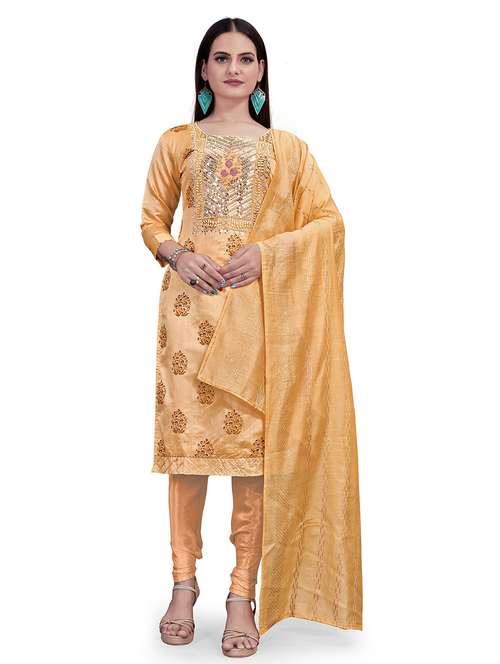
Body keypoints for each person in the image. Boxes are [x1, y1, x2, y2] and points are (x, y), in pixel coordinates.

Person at [140, 17, 363, 657]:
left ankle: (243, 594)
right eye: (221, 58)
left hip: (260, 317)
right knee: (188, 458)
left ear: (261, 71)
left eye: (245, 58)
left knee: (253, 461)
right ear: (204, 70)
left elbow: (329, 223)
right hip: (189, 317)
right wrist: (178, 255)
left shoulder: (288, 151)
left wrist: (269, 255)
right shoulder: (178, 142)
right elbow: (151, 219)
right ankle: (183, 585)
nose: (233, 69)